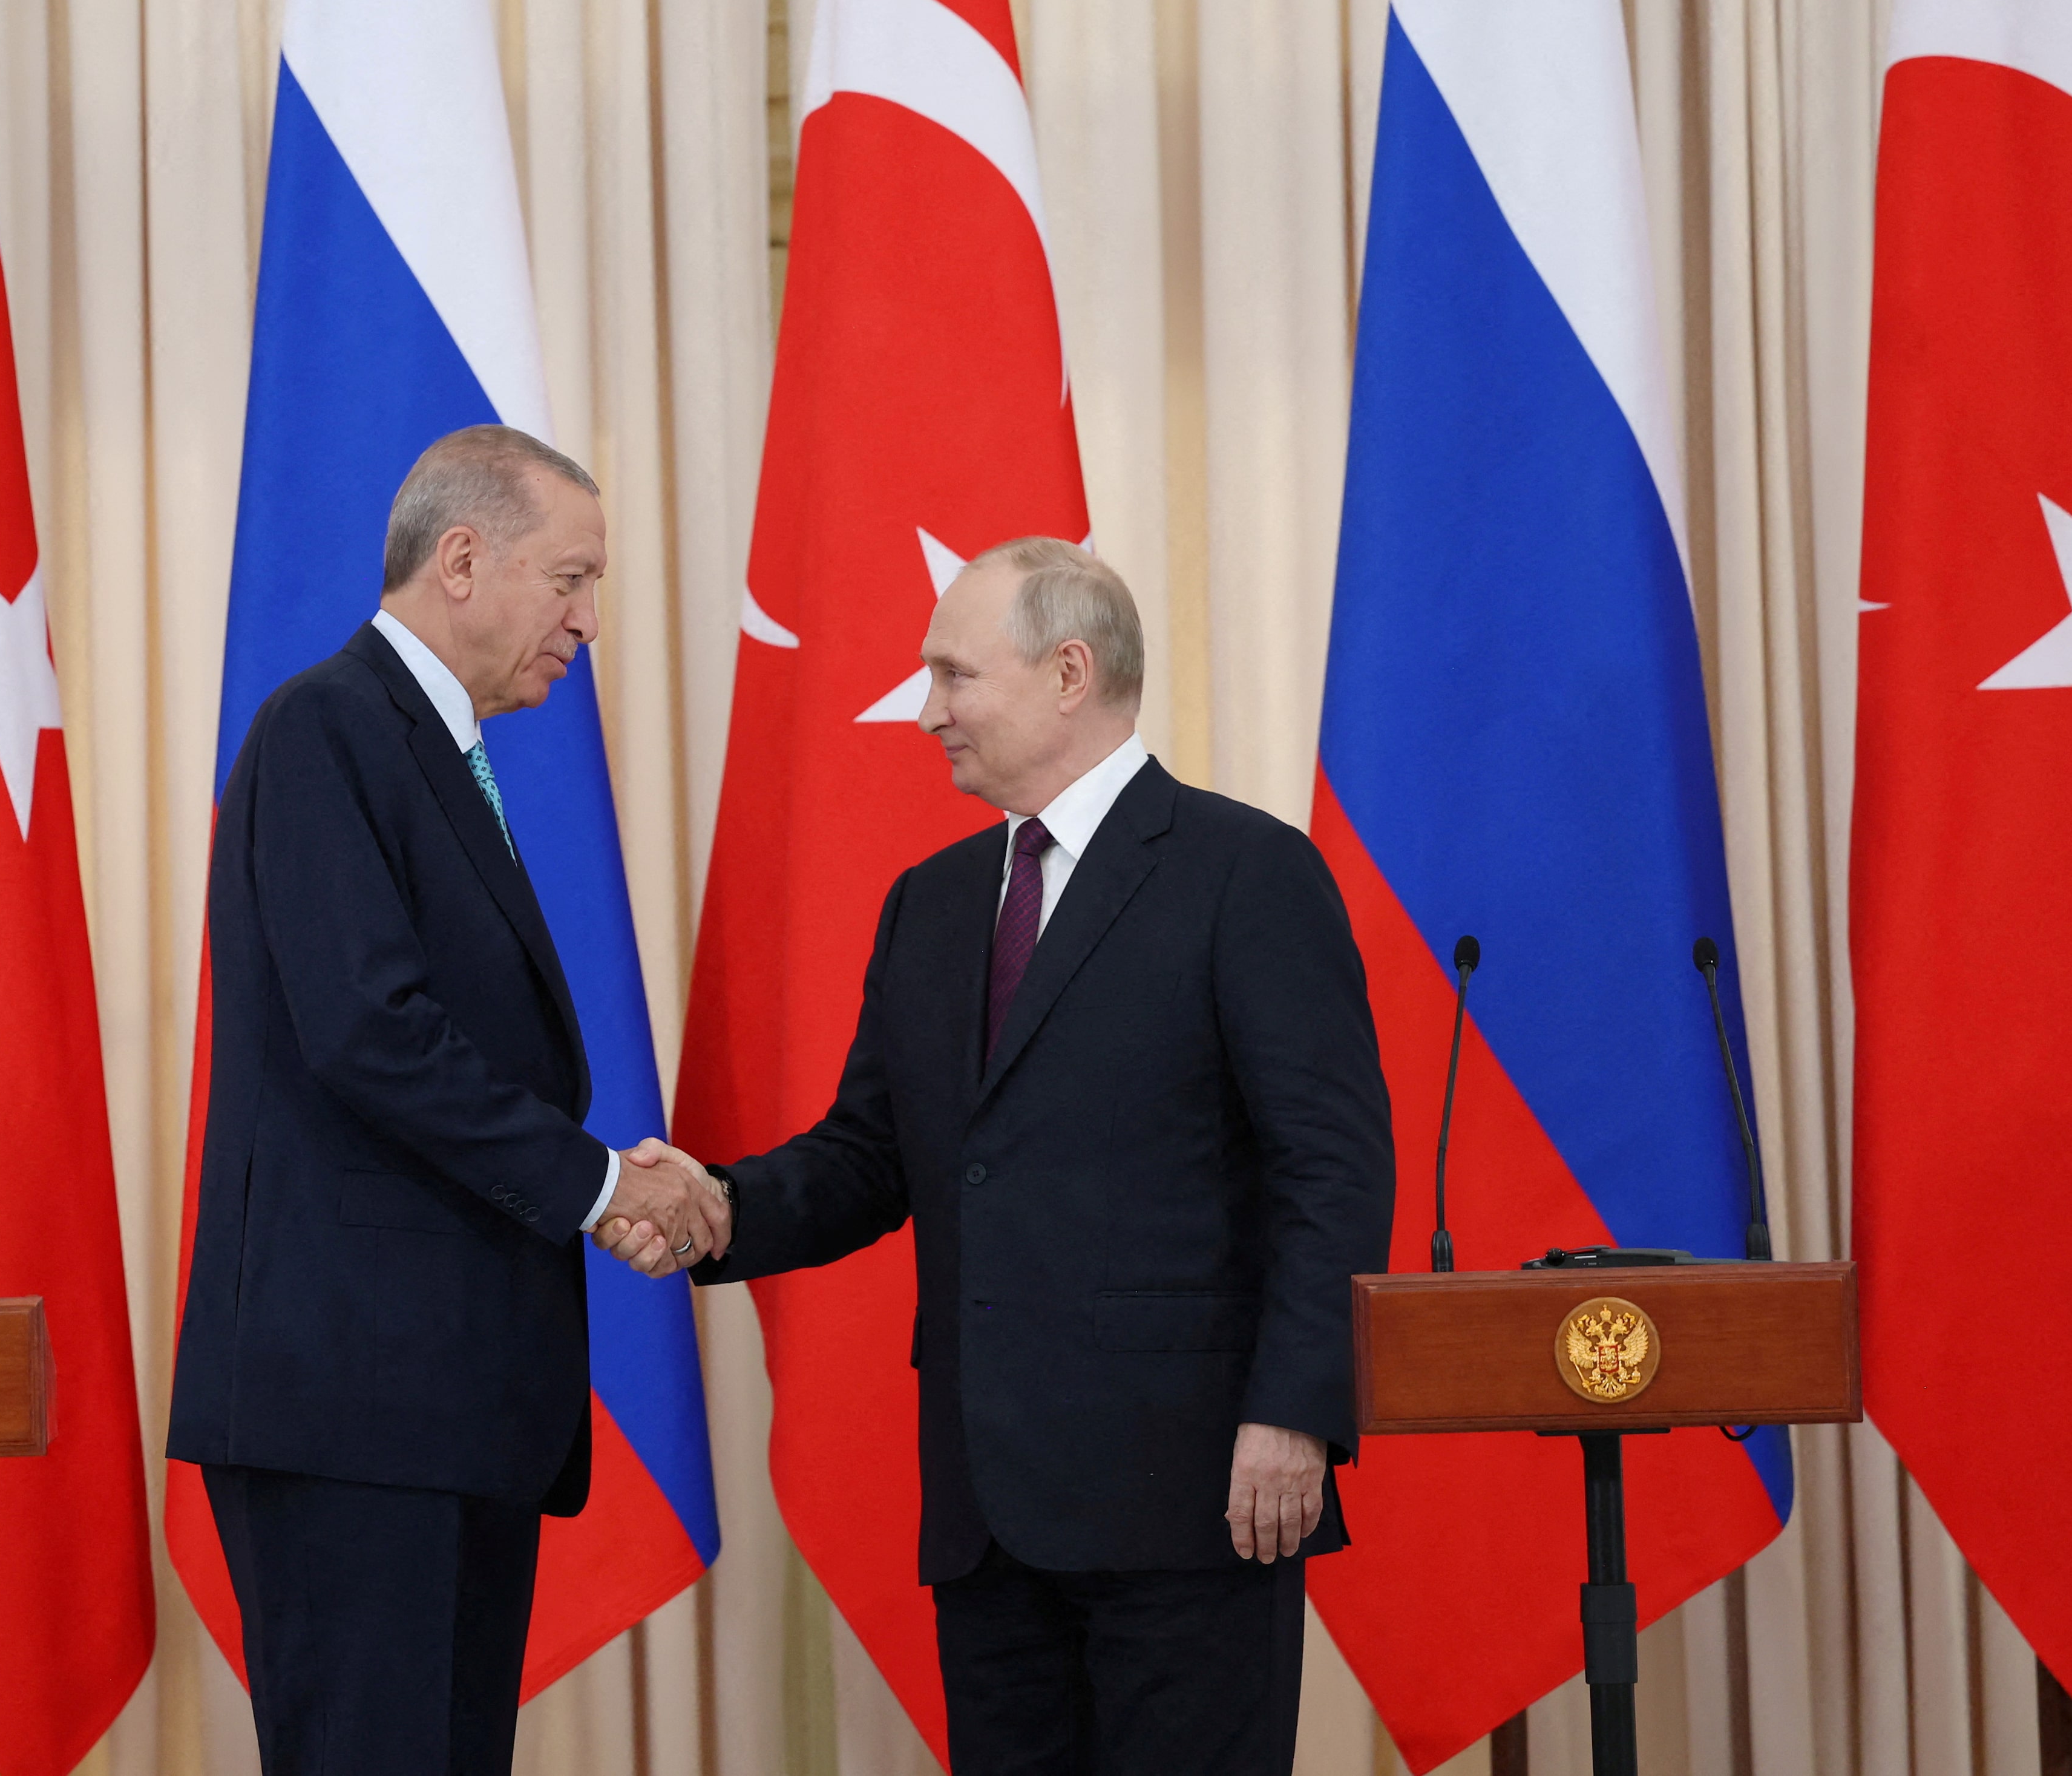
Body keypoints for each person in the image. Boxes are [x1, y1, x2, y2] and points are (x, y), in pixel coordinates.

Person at [610, 537, 1394, 1776]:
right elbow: (870, 1156)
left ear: (1069, 672)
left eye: (954, 675)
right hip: (987, 1517)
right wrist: (716, 1206)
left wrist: (1296, 1412)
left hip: (1191, 1500)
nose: (928, 712)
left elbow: (1332, 1168)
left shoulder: (1245, 873)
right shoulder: (932, 900)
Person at [168, 424, 729, 1776]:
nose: (589, 622)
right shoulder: (329, 726)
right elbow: (372, 1031)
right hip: (356, 1406)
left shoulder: (431, 743)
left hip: (443, 1399)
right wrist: (605, 1184)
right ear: (462, 559)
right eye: (570, 580)